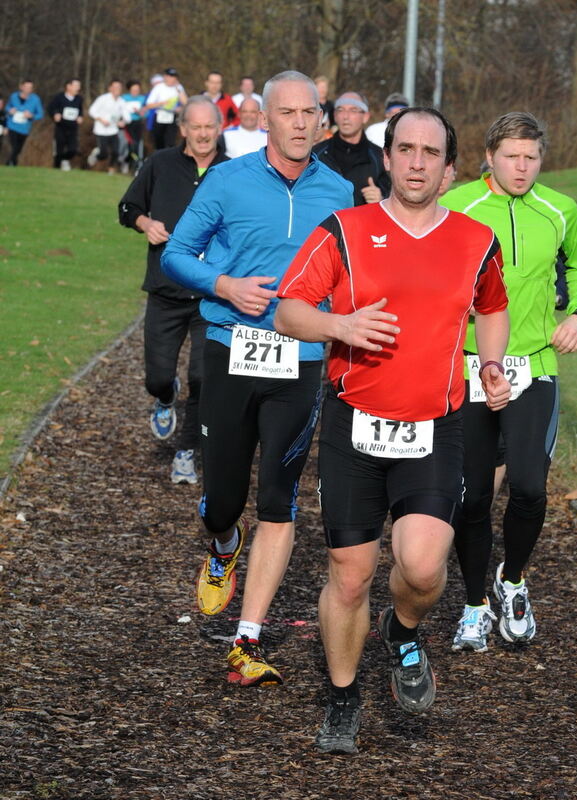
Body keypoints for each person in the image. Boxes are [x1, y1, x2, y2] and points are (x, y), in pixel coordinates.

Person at [274, 107, 511, 754]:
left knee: (423, 565)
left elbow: (492, 307)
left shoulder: (473, 240)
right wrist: (339, 327)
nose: (414, 162)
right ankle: (344, 695)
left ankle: (403, 630)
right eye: (403, 149)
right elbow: (288, 310)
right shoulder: (344, 230)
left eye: (428, 153)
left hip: (433, 426)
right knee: (349, 575)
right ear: (385, 157)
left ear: (450, 167)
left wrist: (489, 362)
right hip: (354, 424)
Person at [161, 71, 353, 686]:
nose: (300, 123)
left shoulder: (341, 190)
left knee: (279, 493)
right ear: (263, 119)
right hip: (228, 351)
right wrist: (224, 285)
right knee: (223, 500)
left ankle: (247, 639)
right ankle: (222, 545)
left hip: (300, 360)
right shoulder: (226, 180)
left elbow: (355, 274)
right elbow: (175, 254)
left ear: (321, 119)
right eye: (287, 113)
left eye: (309, 113)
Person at [439, 111, 577, 652]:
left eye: (531, 157)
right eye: (512, 156)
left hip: (534, 367)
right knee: (474, 496)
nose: (522, 167)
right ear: (489, 157)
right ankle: (474, 605)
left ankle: (512, 582)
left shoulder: (561, 209)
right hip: (466, 368)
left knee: (530, 486)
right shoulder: (458, 206)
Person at [119, 96, 227, 484]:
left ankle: (185, 452)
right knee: (157, 376)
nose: (202, 134)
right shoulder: (160, 164)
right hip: (165, 290)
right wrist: (145, 223)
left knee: (203, 378)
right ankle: (166, 397)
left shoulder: (232, 172)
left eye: (209, 126)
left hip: (210, 296)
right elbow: (127, 208)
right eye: (195, 126)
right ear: (183, 128)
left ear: (220, 128)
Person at [313, 91, 391, 206]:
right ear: (335, 116)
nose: (346, 116)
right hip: (325, 223)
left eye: (353, 110)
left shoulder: (379, 157)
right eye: (340, 110)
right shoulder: (316, 155)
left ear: (365, 117)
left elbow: (394, 198)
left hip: (363, 223)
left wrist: (382, 199)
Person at [87, 79, 130, 174]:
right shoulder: (102, 99)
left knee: (116, 151)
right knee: (104, 153)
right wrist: (101, 120)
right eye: (115, 87)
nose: (117, 89)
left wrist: (123, 122)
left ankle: (111, 170)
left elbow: (127, 116)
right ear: (110, 88)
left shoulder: (122, 101)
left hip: (114, 130)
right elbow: (92, 111)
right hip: (101, 130)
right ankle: (96, 155)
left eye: (119, 87)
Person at [143, 68, 188, 150]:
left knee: (171, 142)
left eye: (174, 77)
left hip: (172, 116)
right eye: (170, 76)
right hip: (160, 116)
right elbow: (149, 104)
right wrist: (162, 103)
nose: (172, 79)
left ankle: (169, 159)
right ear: (165, 77)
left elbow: (186, 103)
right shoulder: (158, 87)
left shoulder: (179, 87)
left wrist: (179, 107)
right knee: (159, 140)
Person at [47, 78, 84, 170]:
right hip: (61, 128)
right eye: (76, 86)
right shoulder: (59, 97)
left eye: (79, 86)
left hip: (73, 128)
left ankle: (64, 159)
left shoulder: (79, 99)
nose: (78, 88)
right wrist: (55, 115)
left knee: (73, 150)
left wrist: (80, 117)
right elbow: (50, 108)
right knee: (59, 150)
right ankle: (56, 169)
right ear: (68, 86)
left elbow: (80, 111)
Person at [5, 79, 43, 166]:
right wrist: (10, 110)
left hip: (24, 128)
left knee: (18, 149)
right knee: (14, 146)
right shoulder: (13, 96)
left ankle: (12, 163)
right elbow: (7, 107)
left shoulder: (35, 99)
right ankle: (10, 164)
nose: (28, 89)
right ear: (21, 87)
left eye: (30, 87)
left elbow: (40, 114)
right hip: (12, 126)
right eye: (26, 87)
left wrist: (31, 115)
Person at [122, 80, 146, 171]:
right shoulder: (124, 98)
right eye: (133, 90)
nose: (135, 92)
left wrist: (140, 112)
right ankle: (127, 161)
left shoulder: (143, 99)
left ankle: (133, 165)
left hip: (138, 124)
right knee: (130, 144)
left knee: (136, 145)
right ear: (129, 90)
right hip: (127, 124)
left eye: (137, 90)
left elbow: (146, 113)